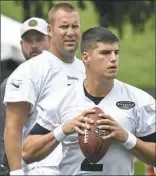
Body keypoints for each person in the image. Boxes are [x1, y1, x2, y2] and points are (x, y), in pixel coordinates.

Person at [23, 27, 156, 175]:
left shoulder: (140, 100)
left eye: (116, 53)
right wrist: (63, 130)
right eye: (105, 53)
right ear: (86, 57)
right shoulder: (61, 99)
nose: (113, 58)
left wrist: (126, 138)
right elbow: (28, 153)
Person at [3, 3, 85, 175]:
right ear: (50, 30)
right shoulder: (28, 71)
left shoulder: (87, 69)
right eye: (64, 26)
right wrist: (16, 173)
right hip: (40, 169)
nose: (70, 32)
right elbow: (12, 129)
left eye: (75, 26)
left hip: (80, 169)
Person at [0, 16, 49, 174]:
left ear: (51, 40)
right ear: (21, 45)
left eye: (40, 39)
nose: (34, 46)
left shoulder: (67, 78)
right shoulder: (9, 84)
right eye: (28, 40)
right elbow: (3, 132)